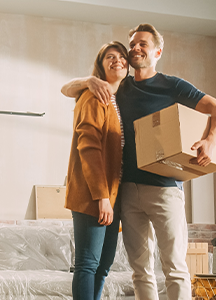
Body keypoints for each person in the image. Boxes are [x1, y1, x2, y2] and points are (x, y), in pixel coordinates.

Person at [62, 24, 216, 300]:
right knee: (140, 271)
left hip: (165, 189)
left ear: (157, 51)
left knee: (174, 268)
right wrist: (89, 81)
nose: (135, 48)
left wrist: (211, 140)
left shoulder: (171, 85)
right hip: (127, 191)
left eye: (143, 44)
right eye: (133, 44)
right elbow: (67, 89)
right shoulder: (118, 87)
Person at [65, 41, 128, 300]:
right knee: (88, 265)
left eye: (122, 56)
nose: (117, 60)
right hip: (93, 195)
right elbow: (89, 148)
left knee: (103, 266)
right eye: (109, 57)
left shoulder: (118, 100)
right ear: (100, 66)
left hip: (112, 196)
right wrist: (102, 196)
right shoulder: (94, 95)